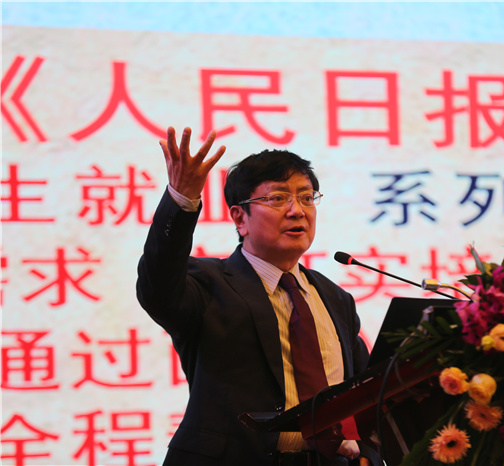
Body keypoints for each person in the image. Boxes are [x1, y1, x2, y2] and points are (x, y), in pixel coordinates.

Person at [136, 127, 378, 465]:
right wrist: (181, 200)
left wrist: (367, 455)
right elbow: (157, 285)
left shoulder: (335, 298)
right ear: (240, 218)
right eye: (278, 198)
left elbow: (367, 394)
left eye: (307, 197)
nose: (297, 210)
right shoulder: (207, 284)